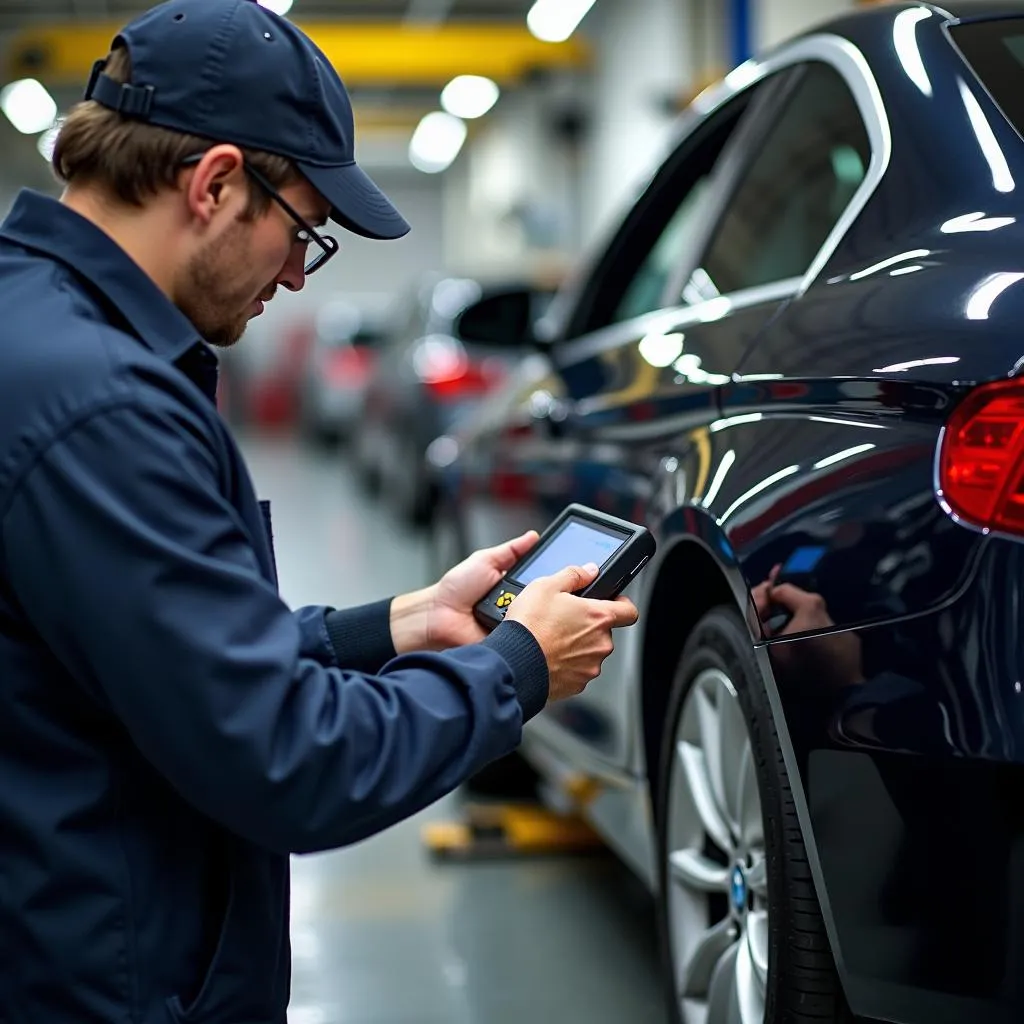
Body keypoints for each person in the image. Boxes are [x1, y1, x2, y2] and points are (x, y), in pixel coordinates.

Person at [0, 1, 639, 1021]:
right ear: (213, 184)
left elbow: (160, 654)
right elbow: (285, 757)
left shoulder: (38, 333)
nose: (298, 274)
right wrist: (515, 668)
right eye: (301, 230)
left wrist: (387, 629)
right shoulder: (103, 403)